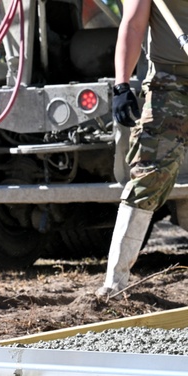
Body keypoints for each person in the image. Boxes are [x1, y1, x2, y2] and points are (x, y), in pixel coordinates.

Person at [98, 0, 188, 297]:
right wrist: (122, 85)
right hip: (171, 85)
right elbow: (134, 23)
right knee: (149, 177)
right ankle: (114, 284)